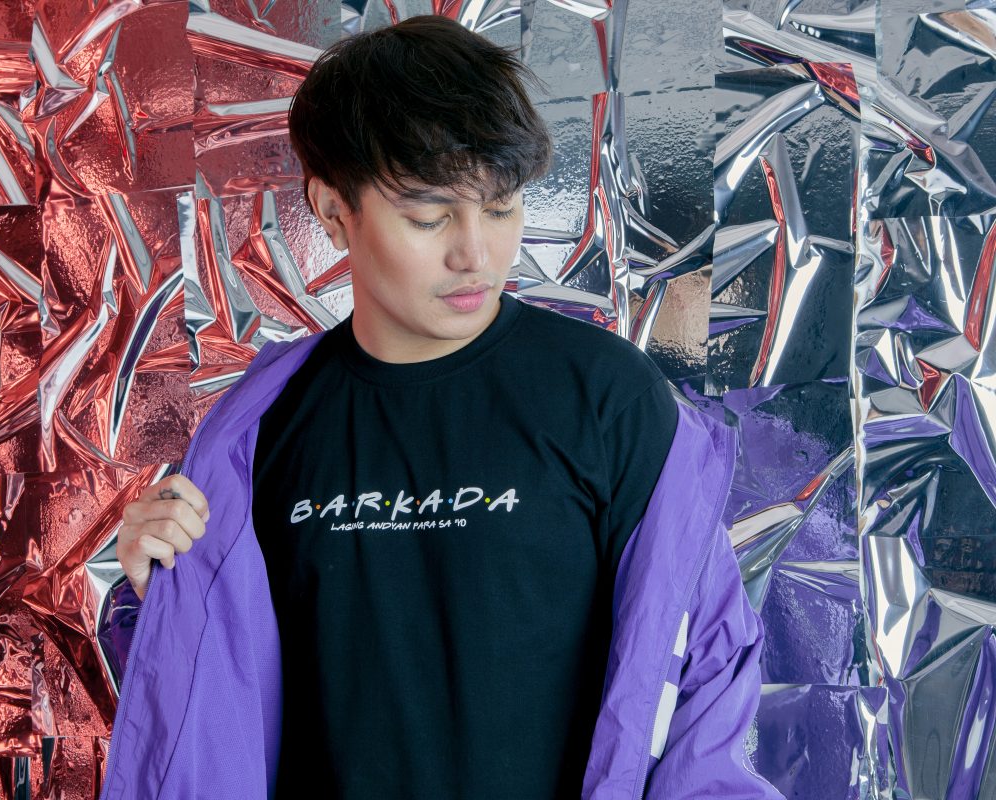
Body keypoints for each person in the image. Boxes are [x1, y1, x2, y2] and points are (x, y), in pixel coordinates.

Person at [98, 14, 780, 800]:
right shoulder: (259, 434)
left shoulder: (604, 396)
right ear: (333, 210)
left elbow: (703, 671)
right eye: (429, 216)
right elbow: (214, 721)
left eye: (501, 207)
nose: (476, 253)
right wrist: (158, 596)